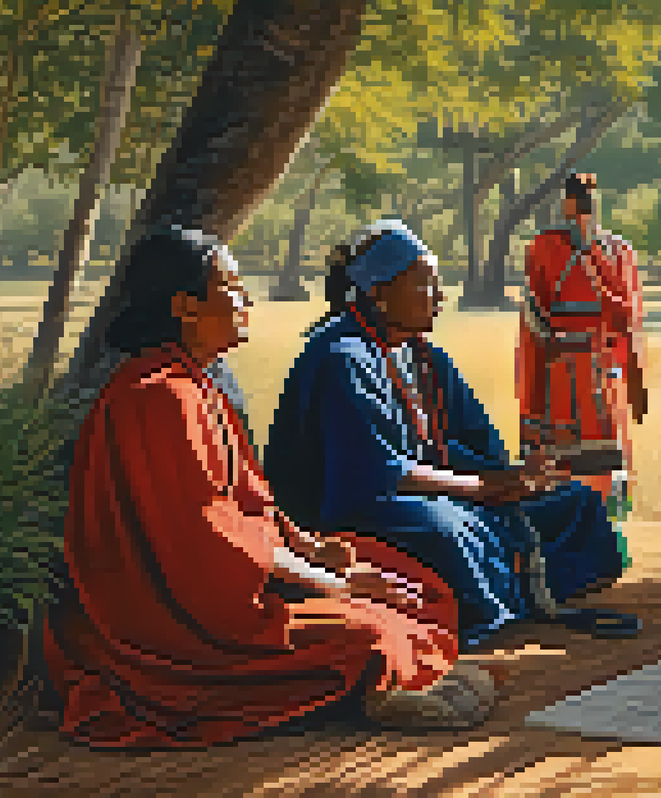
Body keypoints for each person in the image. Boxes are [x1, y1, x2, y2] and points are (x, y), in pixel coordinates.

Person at [43, 227, 502, 748]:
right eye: (232, 287)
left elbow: (246, 508)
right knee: (370, 630)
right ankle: (380, 681)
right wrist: (335, 585)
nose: (247, 300)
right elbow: (213, 544)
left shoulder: (194, 383)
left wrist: (313, 550)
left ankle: (392, 669)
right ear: (185, 307)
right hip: (185, 623)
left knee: (412, 583)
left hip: (238, 575)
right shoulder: (160, 397)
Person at [266, 220, 636, 644]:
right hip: (362, 505)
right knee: (450, 529)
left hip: (444, 487)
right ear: (379, 293)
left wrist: (517, 476)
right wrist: (484, 487)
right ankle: (498, 608)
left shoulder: (423, 356)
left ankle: (527, 589)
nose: (441, 297)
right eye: (425, 285)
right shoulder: (341, 357)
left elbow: (464, 442)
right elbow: (378, 473)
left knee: (577, 502)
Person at [519, 172, 647, 519]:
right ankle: (586, 536)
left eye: (584, 197)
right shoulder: (551, 248)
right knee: (574, 466)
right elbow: (535, 323)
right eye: (581, 198)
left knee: (597, 466)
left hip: (588, 374)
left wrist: (634, 377)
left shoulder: (614, 250)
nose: (582, 206)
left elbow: (628, 321)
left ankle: (599, 537)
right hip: (579, 375)